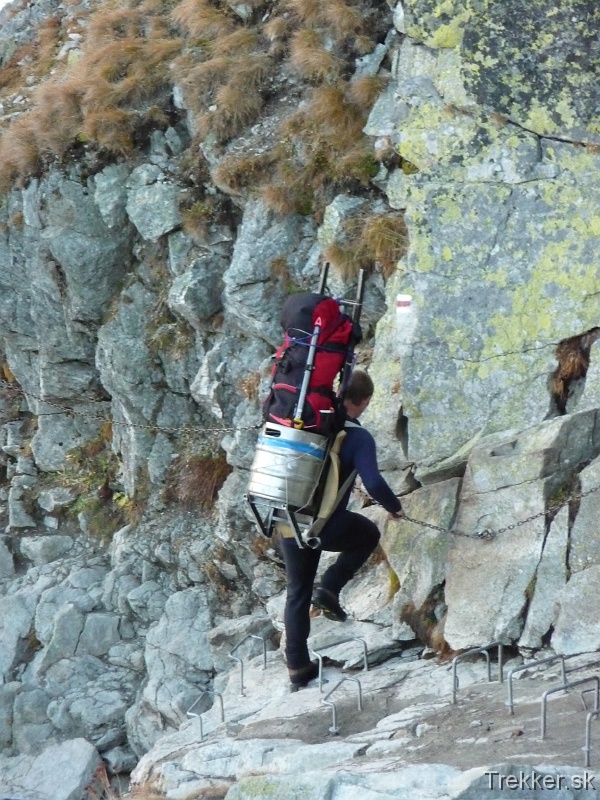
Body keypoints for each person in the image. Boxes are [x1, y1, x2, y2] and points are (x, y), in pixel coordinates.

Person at [278, 369, 404, 688]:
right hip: (324, 526)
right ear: (363, 401)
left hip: (287, 519)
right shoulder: (357, 436)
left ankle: (297, 668)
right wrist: (394, 507)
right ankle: (330, 585)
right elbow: (373, 482)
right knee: (368, 535)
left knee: (296, 592)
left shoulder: (306, 424)